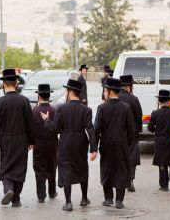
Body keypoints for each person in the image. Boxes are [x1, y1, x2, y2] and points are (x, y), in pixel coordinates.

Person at [41, 79, 97, 212]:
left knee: (66, 168)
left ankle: (68, 203)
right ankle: (84, 198)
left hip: (65, 141)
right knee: (82, 167)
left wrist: (47, 120)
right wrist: (94, 149)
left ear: (70, 92)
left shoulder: (62, 109)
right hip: (80, 141)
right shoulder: (86, 110)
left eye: (67, 90)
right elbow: (90, 129)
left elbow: (55, 129)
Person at [0, 69, 34, 207]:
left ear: (4, 84)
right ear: (16, 83)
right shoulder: (24, 101)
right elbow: (30, 123)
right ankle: (16, 199)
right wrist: (31, 141)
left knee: (6, 166)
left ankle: (8, 189)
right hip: (22, 138)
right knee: (20, 167)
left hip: (5, 138)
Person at [95, 78, 134, 209]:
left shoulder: (102, 107)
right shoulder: (125, 107)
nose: (104, 93)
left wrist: (94, 146)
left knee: (107, 169)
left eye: (105, 91)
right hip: (121, 144)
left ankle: (108, 199)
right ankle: (119, 201)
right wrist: (126, 142)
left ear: (110, 91)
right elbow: (131, 130)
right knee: (121, 170)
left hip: (106, 145)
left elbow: (96, 129)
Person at [148, 90, 170, 191]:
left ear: (158, 101)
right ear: (169, 101)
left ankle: (164, 186)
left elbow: (150, 128)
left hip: (160, 141)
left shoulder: (155, 113)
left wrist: (156, 129)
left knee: (162, 163)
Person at [32, 84, 58, 203]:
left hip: (38, 143)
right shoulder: (55, 110)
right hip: (53, 143)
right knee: (52, 165)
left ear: (39, 96)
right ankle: (52, 192)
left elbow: (30, 129)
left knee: (39, 167)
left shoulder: (34, 111)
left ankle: (41, 195)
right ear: (49, 95)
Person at [119, 75, 143, 192]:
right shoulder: (134, 99)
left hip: (118, 131)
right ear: (129, 86)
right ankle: (130, 179)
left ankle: (120, 179)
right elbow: (139, 116)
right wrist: (138, 129)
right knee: (132, 154)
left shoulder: (116, 97)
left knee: (120, 155)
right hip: (132, 130)